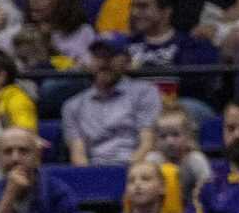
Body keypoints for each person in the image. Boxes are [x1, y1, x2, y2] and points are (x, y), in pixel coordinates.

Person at [62, 36, 163, 166]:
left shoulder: (145, 92)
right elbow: (78, 155)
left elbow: (147, 144)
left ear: (127, 60)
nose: (104, 62)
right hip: (94, 170)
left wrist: (125, 174)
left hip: (135, 168)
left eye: (111, 56)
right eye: (98, 56)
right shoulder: (72, 105)